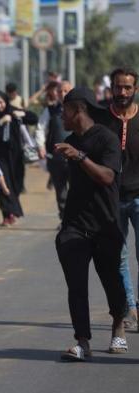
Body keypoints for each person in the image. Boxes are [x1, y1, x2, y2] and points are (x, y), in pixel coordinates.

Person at [54, 86, 128, 362]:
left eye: (64, 109)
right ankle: (82, 342)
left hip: (105, 225)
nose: (61, 115)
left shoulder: (106, 139)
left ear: (78, 109)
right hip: (75, 225)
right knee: (76, 284)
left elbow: (108, 177)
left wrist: (80, 157)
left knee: (112, 282)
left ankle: (118, 325)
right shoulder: (71, 140)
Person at [96, 67, 139, 332]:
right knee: (118, 258)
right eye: (118, 87)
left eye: (127, 87)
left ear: (135, 89)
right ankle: (128, 309)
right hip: (112, 200)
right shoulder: (101, 119)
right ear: (111, 88)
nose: (122, 92)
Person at [0, 90, 38, 225]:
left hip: (15, 156)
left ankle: (11, 211)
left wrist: (22, 113)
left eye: (1, 102)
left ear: (5, 102)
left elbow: (33, 119)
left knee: (17, 184)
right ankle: (7, 214)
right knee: (4, 185)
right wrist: (1, 122)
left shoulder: (13, 111)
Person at [34, 81, 72, 222]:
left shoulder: (80, 109)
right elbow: (40, 129)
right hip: (56, 158)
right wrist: (41, 146)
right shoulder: (50, 111)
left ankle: (77, 220)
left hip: (76, 159)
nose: (63, 94)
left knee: (77, 190)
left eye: (66, 91)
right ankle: (64, 219)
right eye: (60, 91)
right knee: (61, 192)